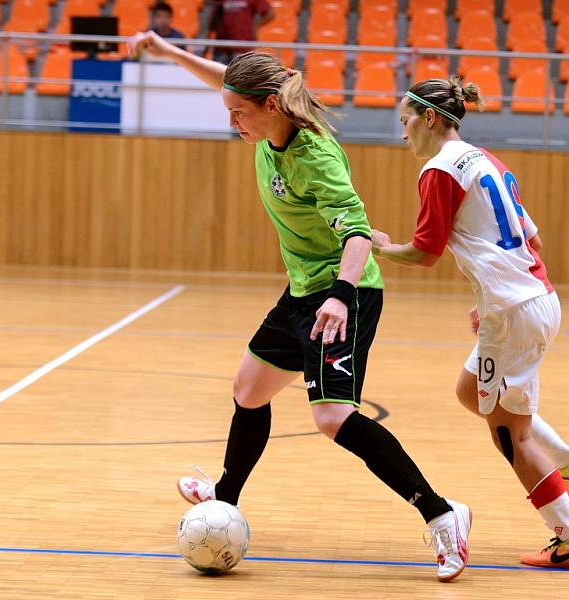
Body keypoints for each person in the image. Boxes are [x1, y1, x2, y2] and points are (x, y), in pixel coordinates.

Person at [125, 32, 471, 583]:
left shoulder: (315, 158)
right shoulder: (264, 121)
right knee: (249, 388)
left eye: (240, 114)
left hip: (345, 292)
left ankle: (443, 513)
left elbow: (357, 233)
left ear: (270, 106)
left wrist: (338, 296)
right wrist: (166, 52)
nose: (232, 122)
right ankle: (226, 499)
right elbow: (226, 80)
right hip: (304, 289)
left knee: (332, 418)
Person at [371, 76, 569, 568]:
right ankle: (566, 459)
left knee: (508, 434)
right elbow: (531, 242)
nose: (403, 133)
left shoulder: (439, 170)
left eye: (406, 121)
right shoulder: (486, 160)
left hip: (515, 310)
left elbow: (425, 252)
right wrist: (495, 298)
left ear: (429, 117)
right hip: (535, 298)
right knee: (469, 390)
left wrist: (380, 247)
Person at [208, 0, 275, 64]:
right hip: (222, 46)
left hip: (244, 46)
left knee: (243, 74)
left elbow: (270, 13)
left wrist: (255, 26)